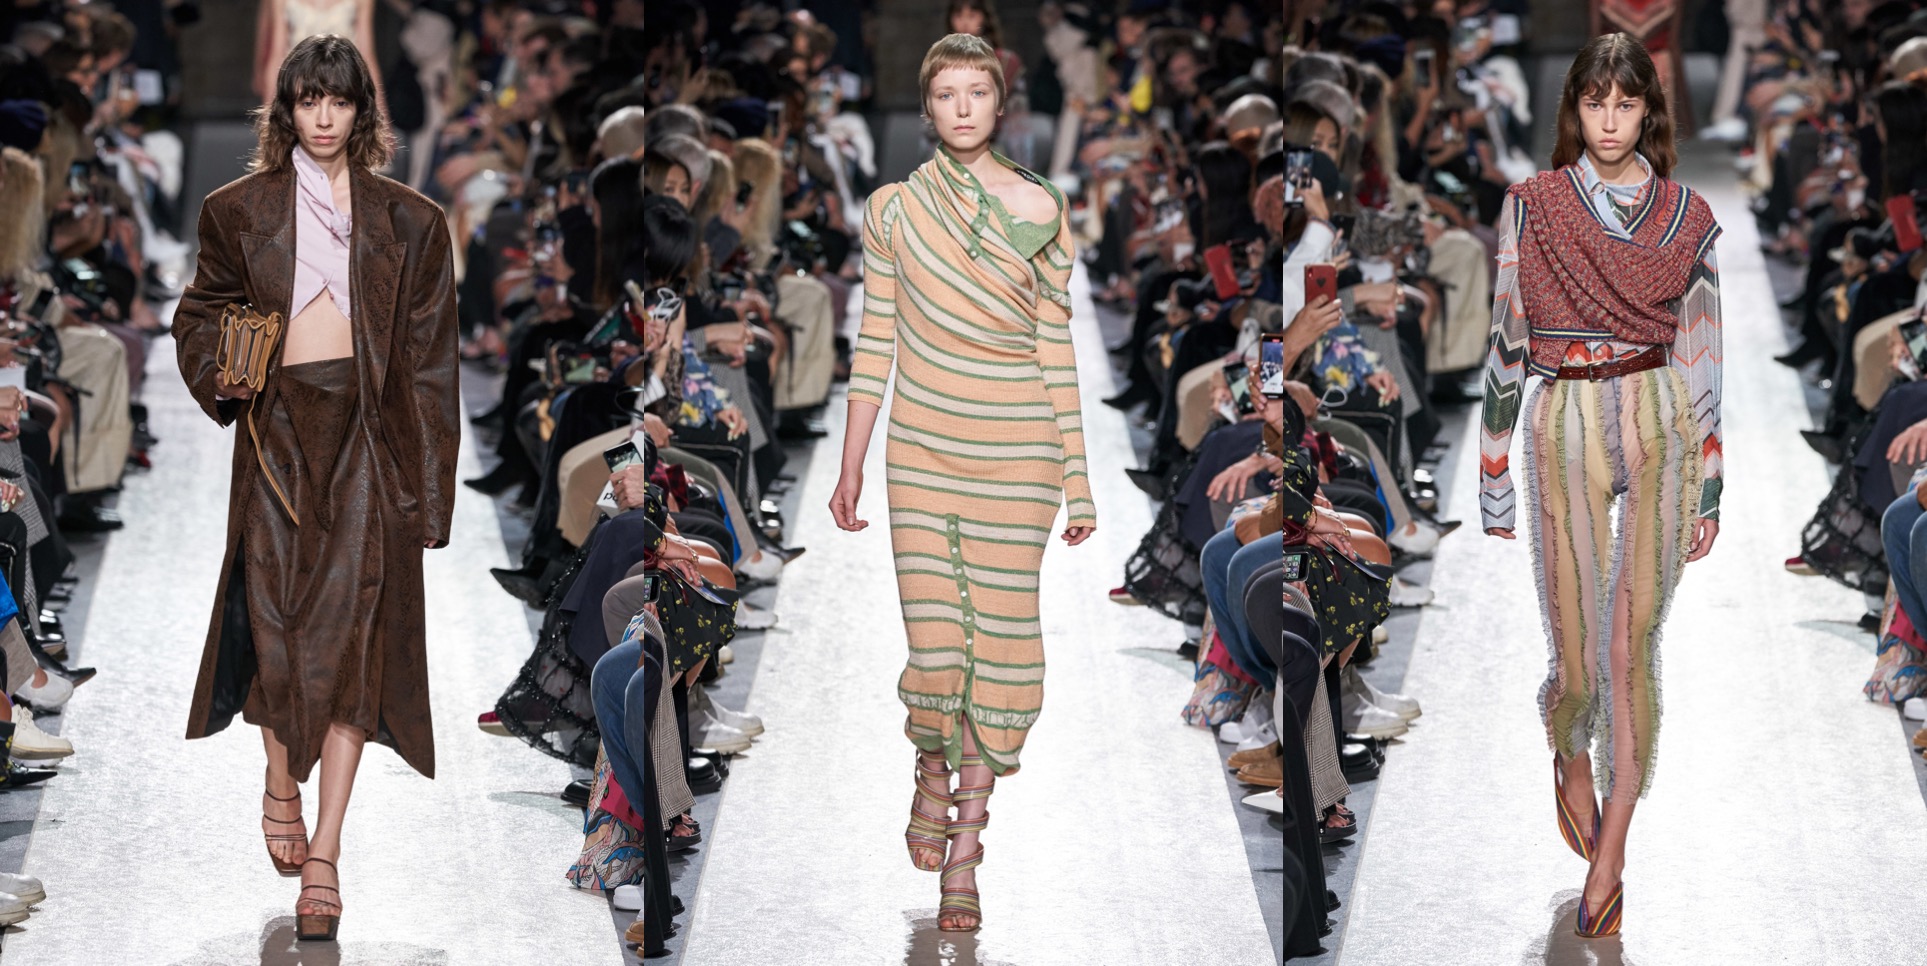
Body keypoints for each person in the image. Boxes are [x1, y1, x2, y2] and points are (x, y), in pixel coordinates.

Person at [173, 35, 459, 942]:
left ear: (362, 111)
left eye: (339, 101)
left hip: (369, 443)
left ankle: (327, 851)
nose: (324, 118)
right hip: (276, 435)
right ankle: (278, 778)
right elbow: (200, 313)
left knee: (353, 644)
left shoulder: (412, 222)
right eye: (308, 101)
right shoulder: (236, 210)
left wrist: (431, 495)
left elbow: (430, 367)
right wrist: (224, 366)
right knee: (275, 625)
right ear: (287, 109)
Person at [828, 33, 1094, 932]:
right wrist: (851, 462)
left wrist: (1078, 476)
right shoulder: (894, 210)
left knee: (1004, 649)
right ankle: (930, 765)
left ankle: (967, 853)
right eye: (947, 94)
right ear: (927, 109)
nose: (964, 108)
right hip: (921, 450)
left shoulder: (1042, 207)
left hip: (1020, 453)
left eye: (977, 91)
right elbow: (875, 340)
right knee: (939, 646)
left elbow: (1054, 345)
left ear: (1000, 103)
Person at [1478, 33, 1723, 939]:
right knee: (1578, 658)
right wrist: (1491, 469)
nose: (1609, 121)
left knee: (1632, 649)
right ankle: (1567, 749)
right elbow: (1507, 332)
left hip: (1660, 418)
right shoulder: (1532, 205)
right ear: (1573, 109)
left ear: (1647, 110)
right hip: (1564, 418)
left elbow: (1702, 345)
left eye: (1625, 104)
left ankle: (1612, 852)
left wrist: (1711, 480)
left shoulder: (1686, 216)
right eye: (1594, 103)